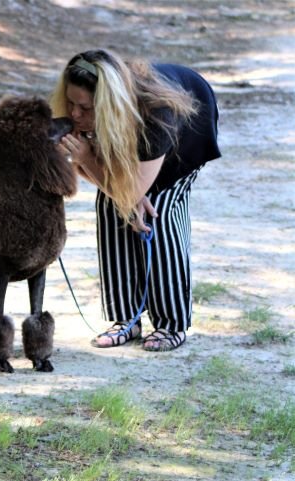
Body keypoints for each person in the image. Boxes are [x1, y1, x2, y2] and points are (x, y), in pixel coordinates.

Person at [50, 49, 221, 351]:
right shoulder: (84, 113)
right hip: (126, 131)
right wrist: (100, 171)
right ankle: (126, 318)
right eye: (71, 103)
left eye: (85, 107)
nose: (75, 114)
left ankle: (171, 323)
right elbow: (103, 179)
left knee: (158, 210)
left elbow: (126, 190)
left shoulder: (158, 114)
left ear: (108, 104)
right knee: (110, 205)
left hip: (185, 133)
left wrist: (92, 163)